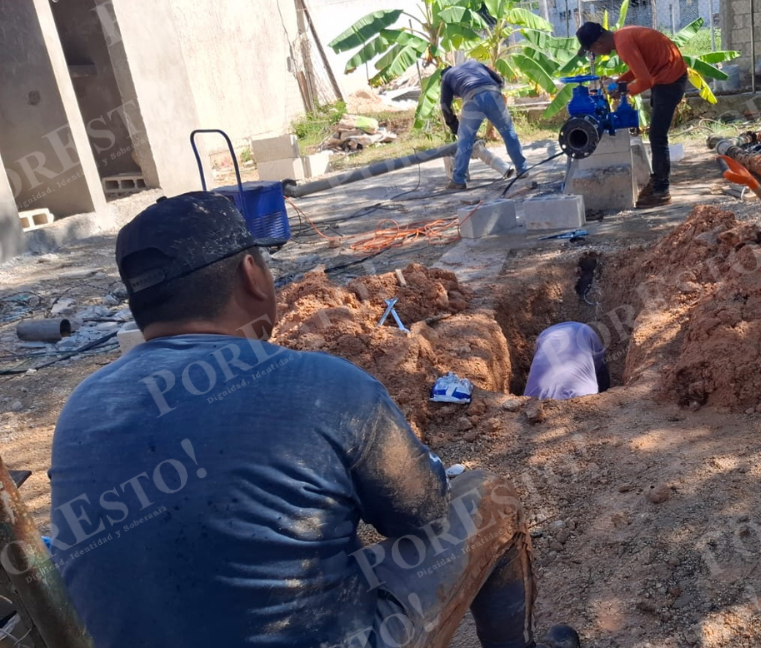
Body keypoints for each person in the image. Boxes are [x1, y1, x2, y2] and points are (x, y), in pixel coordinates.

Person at [48, 192, 577, 648]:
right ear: (251, 275)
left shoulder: (83, 408)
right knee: (489, 498)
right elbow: (420, 514)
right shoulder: (325, 385)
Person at [575, 22, 688, 209]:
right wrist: (620, 82)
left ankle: (662, 190)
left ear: (597, 43)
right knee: (656, 134)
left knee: (657, 136)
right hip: (667, 76)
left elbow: (645, 81)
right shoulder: (622, 36)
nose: (596, 54)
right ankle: (658, 181)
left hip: (670, 80)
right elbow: (640, 68)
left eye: (592, 51)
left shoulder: (624, 44)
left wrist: (623, 91)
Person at [441, 61, 528, 191]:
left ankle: (458, 180)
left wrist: (453, 125)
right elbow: (499, 80)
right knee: (508, 132)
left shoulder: (447, 77)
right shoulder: (474, 64)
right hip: (493, 94)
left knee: (465, 141)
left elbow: (445, 105)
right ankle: (522, 169)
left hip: (473, 99)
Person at [523, 322, 610, 400]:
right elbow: (599, 365)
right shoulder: (586, 331)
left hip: (534, 399)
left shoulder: (543, 336)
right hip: (581, 397)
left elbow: (537, 362)